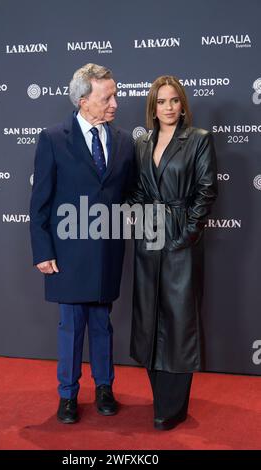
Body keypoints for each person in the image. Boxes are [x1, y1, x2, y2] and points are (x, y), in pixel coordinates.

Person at [29, 63, 134, 424]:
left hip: (107, 251)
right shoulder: (53, 138)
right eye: (108, 97)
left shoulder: (122, 140)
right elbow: (39, 202)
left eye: (115, 95)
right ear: (83, 100)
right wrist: (43, 251)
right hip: (68, 254)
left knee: (103, 325)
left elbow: (129, 193)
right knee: (71, 328)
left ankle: (104, 388)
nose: (115, 103)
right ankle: (68, 396)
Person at [128, 75, 218, 430]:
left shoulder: (198, 140)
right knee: (150, 317)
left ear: (183, 105)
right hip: (148, 235)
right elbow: (138, 190)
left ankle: (174, 405)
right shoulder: (141, 143)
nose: (168, 107)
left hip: (181, 236)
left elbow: (206, 191)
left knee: (179, 321)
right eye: (161, 101)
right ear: (152, 107)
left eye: (174, 101)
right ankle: (159, 400)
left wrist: (188, 234)